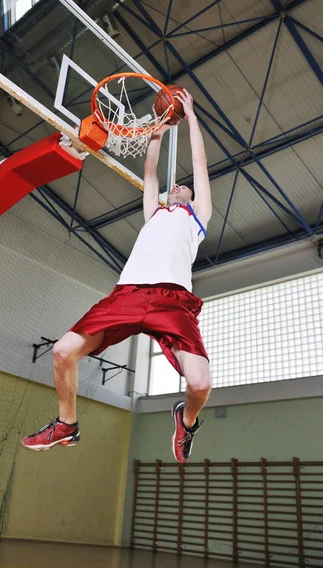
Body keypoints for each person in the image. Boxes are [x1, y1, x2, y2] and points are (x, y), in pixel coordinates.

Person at [21, 89, 212, 463]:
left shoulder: (197, 218)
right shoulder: (153, 214)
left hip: (172, 302)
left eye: (183, 187)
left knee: (201, 384)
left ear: (190, 198)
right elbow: (150, 171)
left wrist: (190, 117)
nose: (177, 187)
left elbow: (201, 162)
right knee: (62, 352)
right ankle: (66, 424)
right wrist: (157, 130)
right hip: (127, 296)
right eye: (174, 187)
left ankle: (186, 421)